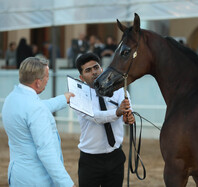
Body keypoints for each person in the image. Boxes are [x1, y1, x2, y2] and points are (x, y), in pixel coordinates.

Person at [2, 57, 75, 187]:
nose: (47, 80)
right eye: (46, 76)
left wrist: (64, 99)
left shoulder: (11, 98)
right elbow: (47, 153)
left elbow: (37, 107)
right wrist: (67, 184)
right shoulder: (35, 108)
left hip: (17, 175)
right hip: (37, 179)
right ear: (37, 82)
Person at [75, 52, 135, 187]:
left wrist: (127, 116)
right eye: (88, 70)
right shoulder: (78, 96)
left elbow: (126, 108)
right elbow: (95, 117)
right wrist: (118, 112)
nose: (94, 72)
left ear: (102, 69)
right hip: (90, 160)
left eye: (96, 67)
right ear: (82, 77)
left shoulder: (119, 89)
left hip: (116, 156)